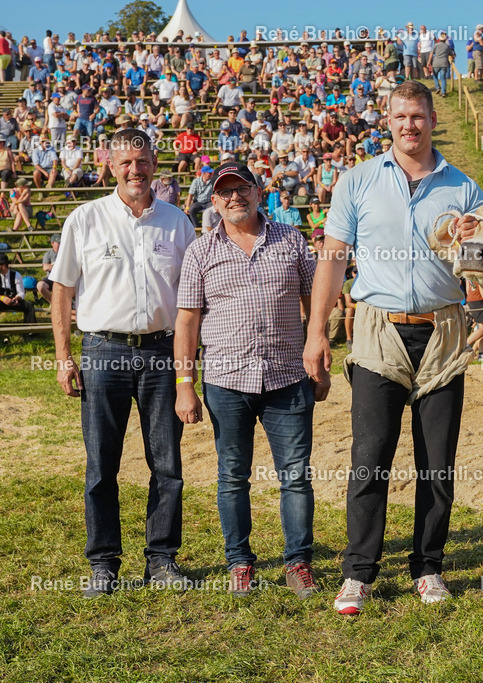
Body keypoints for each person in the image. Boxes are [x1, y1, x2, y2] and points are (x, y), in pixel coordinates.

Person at [303, 80, 483, 616]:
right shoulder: (357, 181)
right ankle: (359, 572)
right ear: (388, 120)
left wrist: (480, 306)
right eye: (401, 116)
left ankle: (428, 567)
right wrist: (318, 332)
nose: (411, 125)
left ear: (432, 120)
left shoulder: (465, 189)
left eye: (419, 116)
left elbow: (476, 265)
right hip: (378, 328)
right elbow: (333, 260)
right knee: (370, 456)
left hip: (444, 329)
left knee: (438, 462)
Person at [49, 128, 195, 597]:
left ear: (155, 162)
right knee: (101, 466)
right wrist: (63, 357)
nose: (136, 170)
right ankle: (104, 563)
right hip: (102, 351)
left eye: (143, 160)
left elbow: (192, 298)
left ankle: (162, 560)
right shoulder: (85, 219)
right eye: (126, 162)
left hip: (162, 352)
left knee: (167, 463)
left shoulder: (177, 222)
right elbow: (63, 291)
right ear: (110, 165)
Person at [174, 162, 323, 599]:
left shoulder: (291, 240)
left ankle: (298, 562)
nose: (235, 197)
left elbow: (316, 302)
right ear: (214, 200)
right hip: (226, 379)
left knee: (295, 476)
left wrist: (321, 360)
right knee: (232, 476)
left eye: (242, 189)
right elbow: (187, 321)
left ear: (259, 193)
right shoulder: (201, 252)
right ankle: (240, 561)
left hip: (288, 377)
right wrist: (185, 383)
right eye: (226, 192)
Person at [0, 253, 35, 323]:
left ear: (3, 265)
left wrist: (17, 298)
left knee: (28, 305)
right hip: (1, 301)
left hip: (14, 300)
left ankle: (30, 331)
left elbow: (21, 292)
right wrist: (2, 298)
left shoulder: (17, 275)